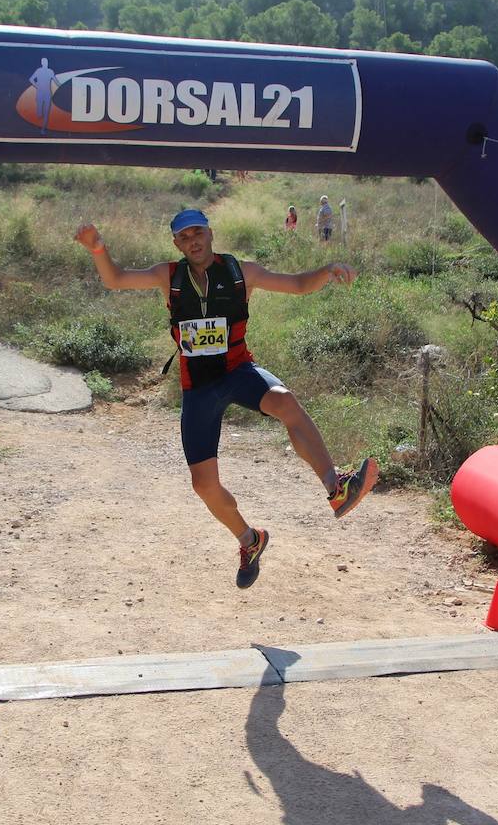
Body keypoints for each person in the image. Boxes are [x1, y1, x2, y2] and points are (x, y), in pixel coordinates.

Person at [73, 209, 379, 589]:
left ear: (210, 234)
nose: (193, 241)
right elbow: (116, 279)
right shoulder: (166, 275)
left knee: (284, 401)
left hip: (237, 372)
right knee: (204, 486)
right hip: (198, 387)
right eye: (184, 237)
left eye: (197, 232)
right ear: (176, 244)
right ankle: (249, 540)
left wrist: (327, 269)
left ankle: (337, 488)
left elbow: (298, 284)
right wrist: (98, 248)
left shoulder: (241, 271)